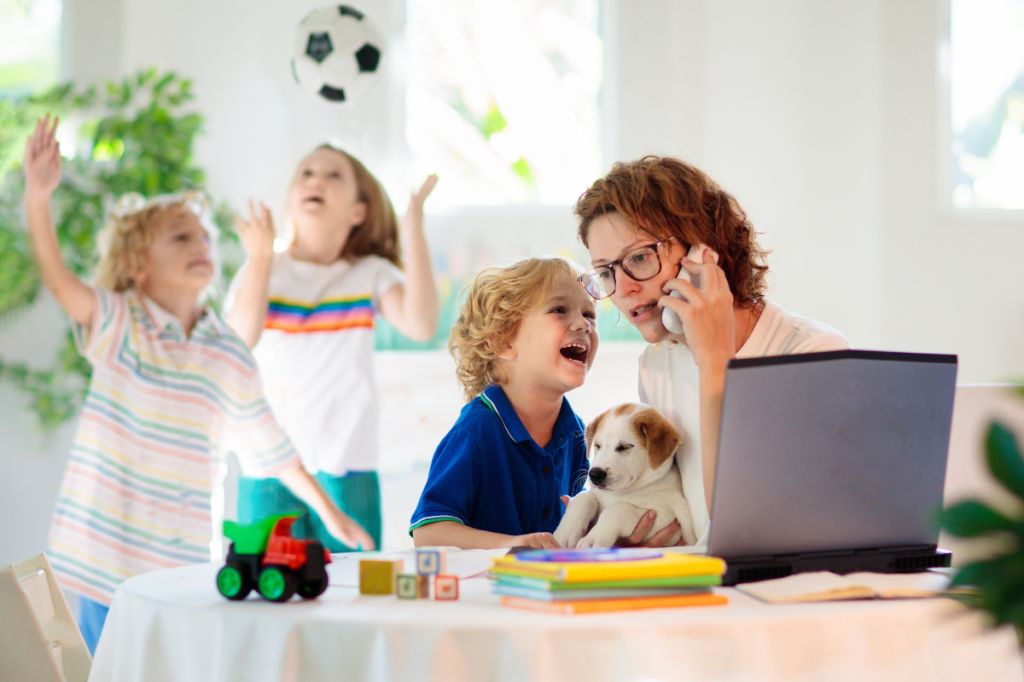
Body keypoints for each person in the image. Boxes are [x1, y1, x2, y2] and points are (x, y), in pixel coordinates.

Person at [22, 117, 373, 653]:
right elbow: (58, 280)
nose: (201, 244)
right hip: (96, 562)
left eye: (205, 235)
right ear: (139, 265)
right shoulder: (121, 324)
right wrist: (38, 198)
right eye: (181, 236)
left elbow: (273, 449)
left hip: (175, 572)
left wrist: (331, 514)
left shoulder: (227, 351)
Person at [574, 156, 848, 545]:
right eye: (606, 272)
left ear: (704, 252)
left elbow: (749, 533)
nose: (623, 289)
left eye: (639, 258)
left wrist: (716, 365)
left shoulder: (814, 353)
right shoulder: (658, 365)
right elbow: (689, 519)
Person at [226, 144, 439, 552]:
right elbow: (239, 342)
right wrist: (259, 259)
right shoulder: (262, 270)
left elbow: (421, 323)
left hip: (348, 469)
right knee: (267, 601)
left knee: (354, 598)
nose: (315, 180)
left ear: (358, 212)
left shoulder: (369, 274)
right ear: (291, 199)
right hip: (267, 469)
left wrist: (412, 226)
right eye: (305, 173)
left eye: (333, 175)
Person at [409, 258, 597, 549]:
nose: (583, 323)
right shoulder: (477, 432)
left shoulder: (576, 433)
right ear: (504, 342)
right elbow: (429, 533)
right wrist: (514, 544)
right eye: (559, 310)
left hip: (550, 588)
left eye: (589, 313)